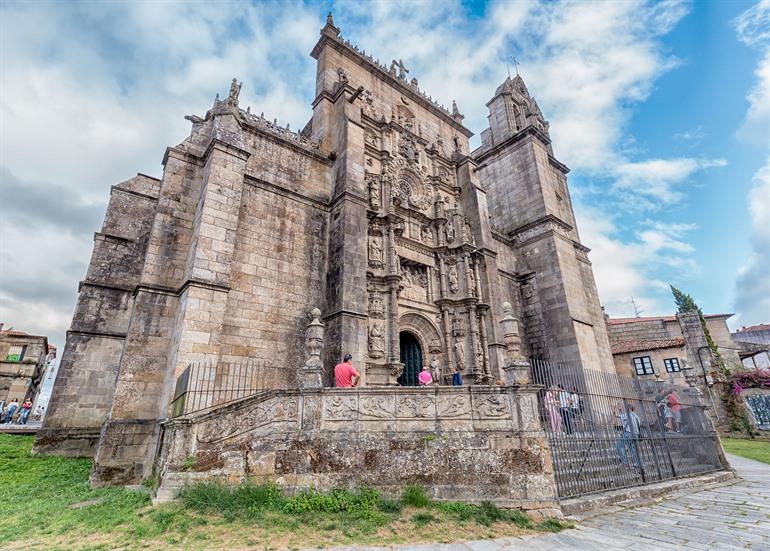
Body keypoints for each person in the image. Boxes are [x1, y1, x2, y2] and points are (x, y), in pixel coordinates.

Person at [615, 403, 642, 469]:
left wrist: (616, 408)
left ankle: (625, 463)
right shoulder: (636, 416)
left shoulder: (626, 415)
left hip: (628, 433)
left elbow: (616, 415)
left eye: (626, 408)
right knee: (634, 450)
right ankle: (638, 465)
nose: (625, 410)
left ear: (629, 409)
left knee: (619, 445)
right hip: (636, 435)